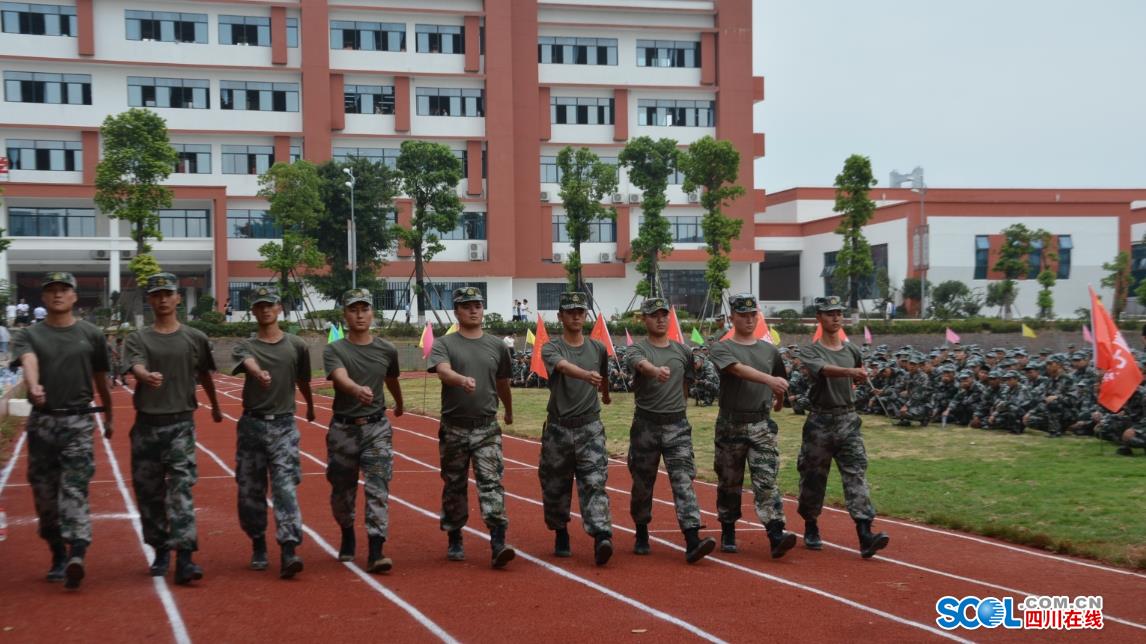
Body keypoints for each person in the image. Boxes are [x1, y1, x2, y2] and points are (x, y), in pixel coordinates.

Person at [11, 272, 113, 589]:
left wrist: (109, 414)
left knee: (74, 488)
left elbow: (100, 379)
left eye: (63, 290)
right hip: (42, 422)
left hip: (78, 423)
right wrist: (34, 384)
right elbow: (28, 360)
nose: (57, 295)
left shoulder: (92, 334)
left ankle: (77, 552)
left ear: (74, 296)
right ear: (43, 298)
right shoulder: (29, 335)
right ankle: (57, 551)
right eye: (51, 291)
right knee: (45, 497)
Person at [124, 272, 223, 585]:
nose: (163, 299)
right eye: (156, 294)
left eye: (168, 293)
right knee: (150, 494)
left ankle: (185, 557)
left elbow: (205, 374)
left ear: (178, 298)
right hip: (146, 427)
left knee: (181, 491)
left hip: (180, 423)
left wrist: (216, 405)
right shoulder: (138, 338)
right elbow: (135, 364)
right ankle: (160, 548)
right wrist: (143, 376)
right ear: (150, 300)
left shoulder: (195, 338)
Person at [795, 295, 889, 559]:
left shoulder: (852, 350)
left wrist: (855, 377)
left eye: (838, 313)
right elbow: (823, 370)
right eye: (829, 313)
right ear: (819, 318)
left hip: (848, 420)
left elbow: (858, 374)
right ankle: (811, 524)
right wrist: (851, 374)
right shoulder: (811, 350)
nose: (835, 317)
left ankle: (865, 533)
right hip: (820, 422)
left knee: (856, 475)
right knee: (813, 479)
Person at [429, 286, 516, 568]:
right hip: (454, 427)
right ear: (457, 311)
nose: (473, 310)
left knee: (491, 483)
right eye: (467, 306)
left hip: (486, 428)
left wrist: (510, 410)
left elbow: (502, 382)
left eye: (477, 305)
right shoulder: (445, 343)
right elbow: (442, 370)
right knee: (454, 484)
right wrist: (459, 380)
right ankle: (455, 536)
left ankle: (498, 541)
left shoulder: (497, 346)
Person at [624, 296, 715, 564]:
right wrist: (655, 371)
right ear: (644, 319)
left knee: (683, 479)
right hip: (646, 426)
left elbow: (690, 377)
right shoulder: (636, 350)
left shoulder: (682, 351)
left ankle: (692, 538)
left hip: (677, 425)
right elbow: (640, 365)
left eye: (664, 314)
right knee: (643, 483)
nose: (661, 319)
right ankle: (641, 531)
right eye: (654, 315)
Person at [233, 286, 316, 578]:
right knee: (250, 490)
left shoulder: (296, 345)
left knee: (285, 486)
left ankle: (289, 547)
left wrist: (310, 406)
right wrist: (257, 372)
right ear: (253, 311)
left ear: (279, 308)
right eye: (259, 305)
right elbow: (247, 362)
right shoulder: (246, 346)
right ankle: (257, 541)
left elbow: (303, 379)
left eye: (270, 304)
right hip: (252, 425)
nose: (265, 309)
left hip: (283, 425)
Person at [707, 294, 797, 558]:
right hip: (731, 424)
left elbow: (781, 377)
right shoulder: (721, 347)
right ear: (732, 317)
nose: (748, 319)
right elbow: (736, 369)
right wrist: (770, 382)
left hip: (761, 424)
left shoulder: (769, 350)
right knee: (729, 481)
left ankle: (775, 532)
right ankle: (728, 528)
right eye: (742, 315)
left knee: (767, 480)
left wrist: (779, 399)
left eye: (752, 315)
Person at [323, 288, 403, 574]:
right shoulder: (335, 349)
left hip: (376, 427)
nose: (359, 315)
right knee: (342, 491)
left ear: (372, 313)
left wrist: (400, 403)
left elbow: (392, 378)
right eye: (353, 310)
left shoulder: (386, 349)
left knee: (378, 487)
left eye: (364, 309)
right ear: (345, 315)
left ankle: (376, 549)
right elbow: (340, 378)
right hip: (344, 428)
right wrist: (356, 389)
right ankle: (347, 531)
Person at [538, 291, 613, 565]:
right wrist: (586, 376)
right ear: (560, 316)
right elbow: (563, 367)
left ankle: (602, 535)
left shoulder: (598, 348)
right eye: (570, 312)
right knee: (555, 485)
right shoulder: (551, 348)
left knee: (594, 482)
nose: (576, 316)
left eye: (580, 312)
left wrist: (604, 394)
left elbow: (603, 373)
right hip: (558, 428)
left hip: (589, 427)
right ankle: (561, 532)